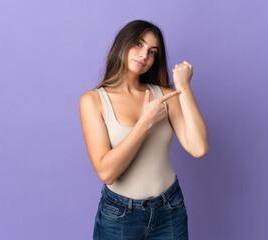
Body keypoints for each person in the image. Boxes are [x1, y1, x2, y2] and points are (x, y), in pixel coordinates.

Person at [79, 19, 208, 240]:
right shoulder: (93, 101)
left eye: (152, 52)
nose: (144, 55)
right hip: (119, 216)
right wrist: (145, 123)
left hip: (170, 210)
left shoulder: (165, 95)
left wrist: (184, 88)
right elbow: (107, 173)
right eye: (138, 44)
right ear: (123, 44)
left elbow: (198, 148)